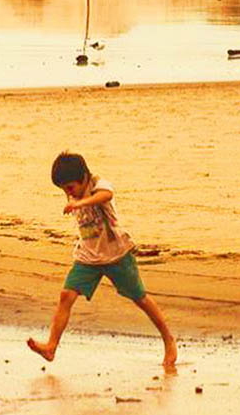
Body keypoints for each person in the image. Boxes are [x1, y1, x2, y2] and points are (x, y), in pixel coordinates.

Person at [27, 152, 177, 368]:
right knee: (66, 296)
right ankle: (51, 347)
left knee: (140, 298)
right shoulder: (72, 192)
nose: (67, 193)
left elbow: (106, 195)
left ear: (83, 177)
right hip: (88, 256)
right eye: (63, 189)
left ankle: (168, 340)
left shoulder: (98, 184)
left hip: (116, 254)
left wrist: (80, 203)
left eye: (69, 187)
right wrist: (74, 199)